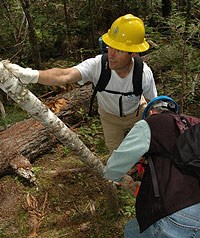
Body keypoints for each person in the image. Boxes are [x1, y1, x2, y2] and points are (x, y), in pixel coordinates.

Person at [6, 14, 157, 153]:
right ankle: (122, 180)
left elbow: (153, 104)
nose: (111, 54)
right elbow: (65, 75)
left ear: (133, 53)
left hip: (137, 114)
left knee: (145, 148)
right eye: (110, 46)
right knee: (116, 154)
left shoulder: (143, 73)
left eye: (119, 51)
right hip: (109, 118)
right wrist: (30, 75)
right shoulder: (98, 65)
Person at [104, 96, 200, 238]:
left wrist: (116, 176)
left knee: (133, 232)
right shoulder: (194, 124)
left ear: (151, 112)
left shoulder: (149, 124)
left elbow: (115, 165)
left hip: (180, 218)